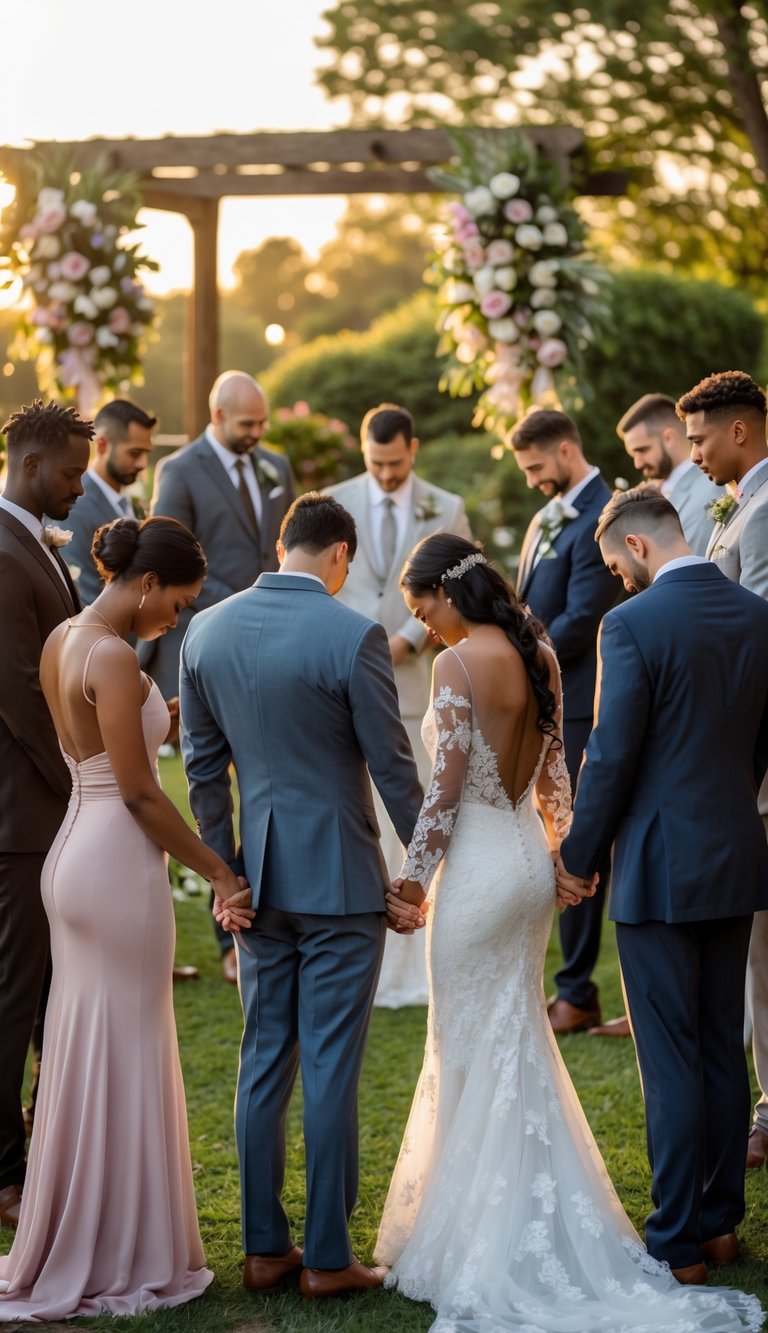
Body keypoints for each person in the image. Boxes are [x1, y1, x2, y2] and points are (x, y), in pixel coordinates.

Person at [377, 530, 762, 1333]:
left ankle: (481, 1233)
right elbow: (558, 778)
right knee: (515, 1036)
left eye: (423, 609)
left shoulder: (455, 665)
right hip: (526, 866)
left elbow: (443, 798)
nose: (429, 626)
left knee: (467, 1042)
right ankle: (535, 1209)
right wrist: (564, 858)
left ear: (445, 595)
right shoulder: (540, 654)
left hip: (478, 873)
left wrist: (410, 883)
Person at [0, 515, 252, 1319]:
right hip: (115, 860)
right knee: (127, 1043)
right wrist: (220, 869)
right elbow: (141, 791)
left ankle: (86, 1230)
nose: (173, 619)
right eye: (176, 604)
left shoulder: (67, 638)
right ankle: (119, 1246)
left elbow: (98, 752)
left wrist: (162, 712)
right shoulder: (113, 655)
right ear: (146, 584)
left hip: (72, 850)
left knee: (84, 1044)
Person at [180, 493, 423, 1299]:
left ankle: (262, 1249)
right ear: (341, 554)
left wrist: (226, 875)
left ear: (282, 543)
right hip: (343, 882)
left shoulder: (205, 631)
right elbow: (393, 770)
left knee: (262, 1060)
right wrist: (422, 869)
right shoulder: (353, 635)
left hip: (257, 883)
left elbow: (202, 770)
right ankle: (326, 1257)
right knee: (330, 1067)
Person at [560, 486, 768, 1288]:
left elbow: (609, 754)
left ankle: (676, 1236)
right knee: (721, 1041)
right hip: (735, 850)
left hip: (656, 859)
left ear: (639, 546)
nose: (617, 581)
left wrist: (579, 855)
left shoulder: (632, 624)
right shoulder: (758, 616)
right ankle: (719, 1225)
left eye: (616, 565)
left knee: (671, 1054)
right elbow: (760, 745)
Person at [148, 370, 294, 984]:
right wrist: (248, 601)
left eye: (262, 424)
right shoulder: (179, 472)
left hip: (277, 650)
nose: (258, 435)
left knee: (271, 780)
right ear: (216, 414)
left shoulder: (276, 465)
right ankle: (230, 932)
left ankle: (280, 914)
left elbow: (288, 547)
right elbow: (165, 558)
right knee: (212, 787)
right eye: (247, 425)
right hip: (206, 646)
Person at [326, 403, 471, 1008]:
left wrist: (411, 637)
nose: (386, 475)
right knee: (361, 818)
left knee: (411, 814)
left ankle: (416, 955)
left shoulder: (448, 506)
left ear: (413, 450)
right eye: (375, 464)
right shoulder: (334, 501)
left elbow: (460, 592)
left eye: (395, 463)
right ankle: (372, 956)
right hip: (340, 681)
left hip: (415, 684)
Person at [0, 400, 91, 1230]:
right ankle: (3, 1168)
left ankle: (46, 1146)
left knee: (47, 995)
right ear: (31, 466)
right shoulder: (1, 551)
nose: (80, 486)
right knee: (13, 991)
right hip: (19, 815)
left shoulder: (32, 542)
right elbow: (22, 695)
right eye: (70, 473)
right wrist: (82, 779)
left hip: (44, 809)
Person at [677, 370, 768, 1172]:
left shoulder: (765, 510)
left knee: (765, 956)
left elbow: (757, 638)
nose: (693, 454)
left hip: (754, 767)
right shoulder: (736, 505)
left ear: (739, 431)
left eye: (700, 439)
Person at [511, 409, 620, 1035]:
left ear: (566, 449)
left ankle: (576, 990)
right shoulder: (547, 516)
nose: (531, 482)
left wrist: (514, 653)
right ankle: (569, 984)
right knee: (550, 837)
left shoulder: (602, 515)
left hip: (578, 701)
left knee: (572, 840)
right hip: (546, 702)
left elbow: (582, 618)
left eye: (535, 468)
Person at [59, 398, 155, 604]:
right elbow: (84, 593)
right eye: (135, 453)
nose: (143, 463)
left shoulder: (131, 501)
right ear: (102, 445)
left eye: (146, 453)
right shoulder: (74, 505)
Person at [617, 392, 718, 554]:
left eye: (642, 450)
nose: (637, 463)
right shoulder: (653, 494)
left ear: (669, 437)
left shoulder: (713, 484)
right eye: (633, 455)